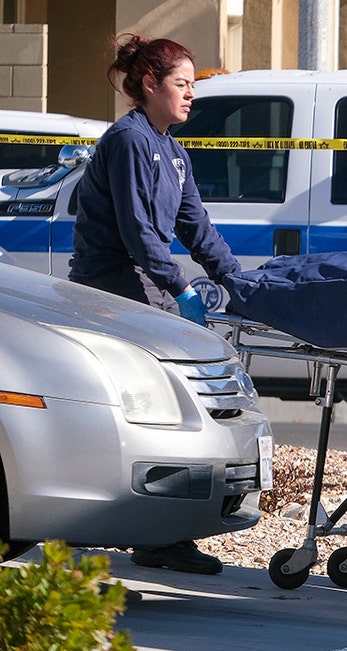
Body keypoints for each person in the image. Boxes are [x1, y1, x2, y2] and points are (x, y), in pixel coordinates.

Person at [69, 34, 241, 575]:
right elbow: (139, 234)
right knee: (167, 407)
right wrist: (183, 289)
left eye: (194, 85)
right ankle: (152, 533)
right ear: (150, 84)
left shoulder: (172, 149)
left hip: (146, 283)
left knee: (181, 407)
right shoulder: (128, 141)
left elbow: (196, 226)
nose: (192, 94)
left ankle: (164, 533)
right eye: (182, 84)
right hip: (114, 287)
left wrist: (236, 279)